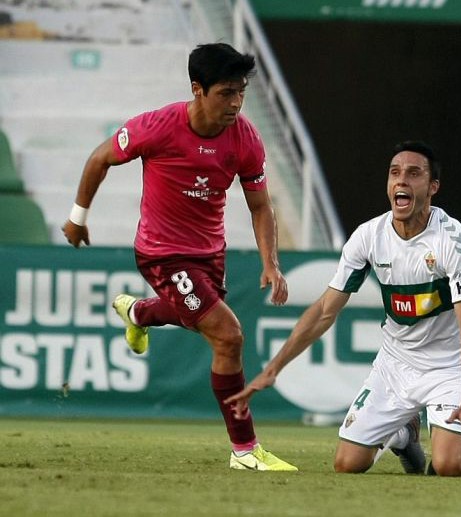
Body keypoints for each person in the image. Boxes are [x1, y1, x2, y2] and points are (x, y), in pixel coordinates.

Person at [61, 43, 297, 472]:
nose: (236, 102)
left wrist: (271, 262)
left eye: (241, 91)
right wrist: (78, 218)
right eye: (226, 92)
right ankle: (244, 451)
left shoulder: (244, 138)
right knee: (228, 335)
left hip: (210, 253)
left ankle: (139, 314)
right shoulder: (158, 127)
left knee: (195, 318)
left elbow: (260, 205)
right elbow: (100, 157)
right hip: (162, 252)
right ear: (197, 89)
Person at [225, 141, 461, 476]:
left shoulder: (455, 244)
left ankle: (455, 442)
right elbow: (325, 310)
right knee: (347, 464)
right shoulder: (369, 236)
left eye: (414, 174)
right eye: (395, 173)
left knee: (448, 465)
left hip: (446, 368)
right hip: (395, 365)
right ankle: (402, 434)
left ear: (433, 188)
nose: (402, 181)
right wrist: (273, 369)